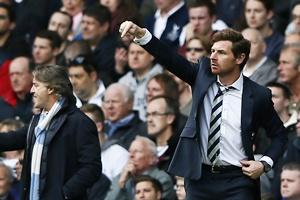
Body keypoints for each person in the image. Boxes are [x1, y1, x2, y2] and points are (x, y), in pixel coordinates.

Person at [119, 21, 287, 199]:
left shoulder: (258, 95)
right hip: (200, 178)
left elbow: (279, 135)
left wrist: (263, 164)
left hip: (238, 180)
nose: (213, 56)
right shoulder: (201, 75)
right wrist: (141, 34)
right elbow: (170, 58)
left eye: (221, 52)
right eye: (212, 50)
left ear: (239, 58)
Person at [0, 64, 101, 199]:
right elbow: (15, 138)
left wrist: (64, 193)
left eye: (36, 85)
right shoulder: (38, 119)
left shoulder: (80, 123)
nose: (31, 90)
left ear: (51, 89)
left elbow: (92, 168)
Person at [105, 136, 176, 200]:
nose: (131, 155)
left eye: (137, 151)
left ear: (152, 158)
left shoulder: (162, 179)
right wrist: (121, 182)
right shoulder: (121, 177)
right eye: (130, 152)